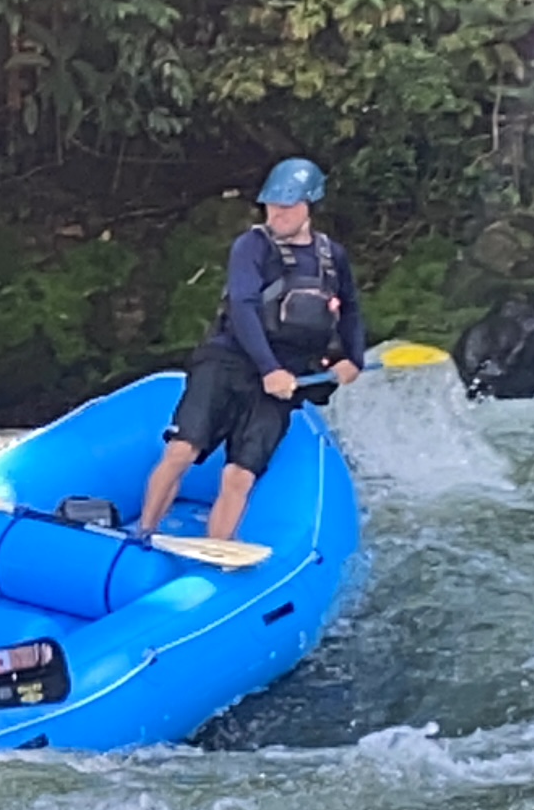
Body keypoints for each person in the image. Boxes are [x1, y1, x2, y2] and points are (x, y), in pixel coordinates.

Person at [138, 157, 367, 542]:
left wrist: (353, 359)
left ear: (310, 205)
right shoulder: (251, 247)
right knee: (182, 450)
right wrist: (267, 368)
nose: (278, 213)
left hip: (288, 376)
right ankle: (143, 533)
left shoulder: (333, 257)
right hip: (228, 362)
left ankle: (215, 554)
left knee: (239, 475)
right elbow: (243, 306)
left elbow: (350, 308)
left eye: (288, 206)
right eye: (273, 205)